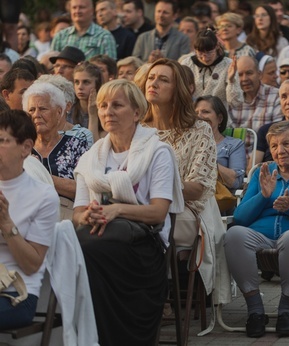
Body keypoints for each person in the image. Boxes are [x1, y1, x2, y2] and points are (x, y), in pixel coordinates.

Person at [73, 79, 182, 346]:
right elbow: (77, 211)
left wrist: (116, 210)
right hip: (100, 237)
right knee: (74, 245)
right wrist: (89, 215)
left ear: (136, 113)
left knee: (88, 250)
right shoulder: (91, 158)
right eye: (102, 106)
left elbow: (158, 213)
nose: (108, 112)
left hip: (145, 245)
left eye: (117, 105)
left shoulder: (158, 152)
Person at [225, 120, 289, 338]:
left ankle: (287, 308)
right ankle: (255, 310)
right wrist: (263, 196)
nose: (279, 151)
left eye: (286, 144)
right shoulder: (263, 172)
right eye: (273, 146)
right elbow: (241, 217)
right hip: (259, 234)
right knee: (233, 234)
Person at [138, 58, 217, 248]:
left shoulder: (199, 130)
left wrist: (153, 187)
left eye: (164, 80)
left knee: (138, 229)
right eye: (151, 78)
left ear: (178, 89)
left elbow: (198, 189)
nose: (154, 83)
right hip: (138, 205)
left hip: (184, 210)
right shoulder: (137, 128)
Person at [0, 109, 59, 329]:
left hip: (16, 294)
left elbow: (33, 264)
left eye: (1, 141)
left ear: (25, 148)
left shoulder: (43, 195)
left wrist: (6, 223)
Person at [22, 82, 90, 220]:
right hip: (27, 212)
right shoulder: (20, 147)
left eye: (43, 109)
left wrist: (39, 174)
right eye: (31, 110)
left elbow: (85, 189)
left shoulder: (76, 144)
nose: (36, 115)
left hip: (66, 212)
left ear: (59, 112)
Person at [179, 28, 242, 109]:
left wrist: (231, 80)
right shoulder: (187, 63)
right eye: (200, 53)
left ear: (217, 46)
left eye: (209, 52)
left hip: (218, 117)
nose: (205, 58)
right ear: (195, 50)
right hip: (192, 115)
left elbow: (235, 103)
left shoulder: (228, 65)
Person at [195, 95, 246, 190]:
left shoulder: (234, 145)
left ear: (220, 119)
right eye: (196, 113)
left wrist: (208, 161)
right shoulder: (188, 144)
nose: (199, 116)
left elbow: (236, 182)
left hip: (218, 199)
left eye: (205, 112)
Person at [228, 56, 282, 134]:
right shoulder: (231, 98)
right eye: (240, 75)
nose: (244, 79)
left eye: (249, 73)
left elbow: (278, 132)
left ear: (259, 74)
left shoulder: (276, 96)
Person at [51, 0, 117, 60]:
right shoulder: (60, 36)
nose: (77, 11)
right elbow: (53, 66)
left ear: (92, 11)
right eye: (74, 8)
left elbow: (110, 69)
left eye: (82, 7)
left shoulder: (104, 36)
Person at [69, 61, 105, 141]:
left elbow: (93, 146)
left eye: (86, 82)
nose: (80, 87)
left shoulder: (105, 109)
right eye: (77, 82)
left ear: (97, 85)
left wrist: (93, 115)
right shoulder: (69, 109)